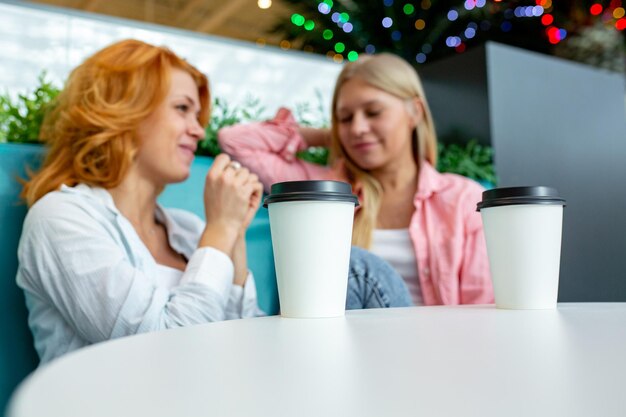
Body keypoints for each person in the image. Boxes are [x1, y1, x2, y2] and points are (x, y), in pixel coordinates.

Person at [16, 40, 411, 365]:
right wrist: (220, 229)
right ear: (125, 111)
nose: (198, 129)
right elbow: (164, 350)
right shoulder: (60, 218)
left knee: (361, 275)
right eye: (182, 109)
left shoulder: (186, 229)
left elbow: (245, 341)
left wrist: (234, 233)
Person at [218, 53, 494, 306]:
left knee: (354, 265)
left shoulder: (462, 199)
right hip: (346, 345)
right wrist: (332, 137)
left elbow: (480, 311)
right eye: (345, 118)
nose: (358, 128)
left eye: (373, 113)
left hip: (438, 347)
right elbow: (235, 141)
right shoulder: (327, 191)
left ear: (415, 113)